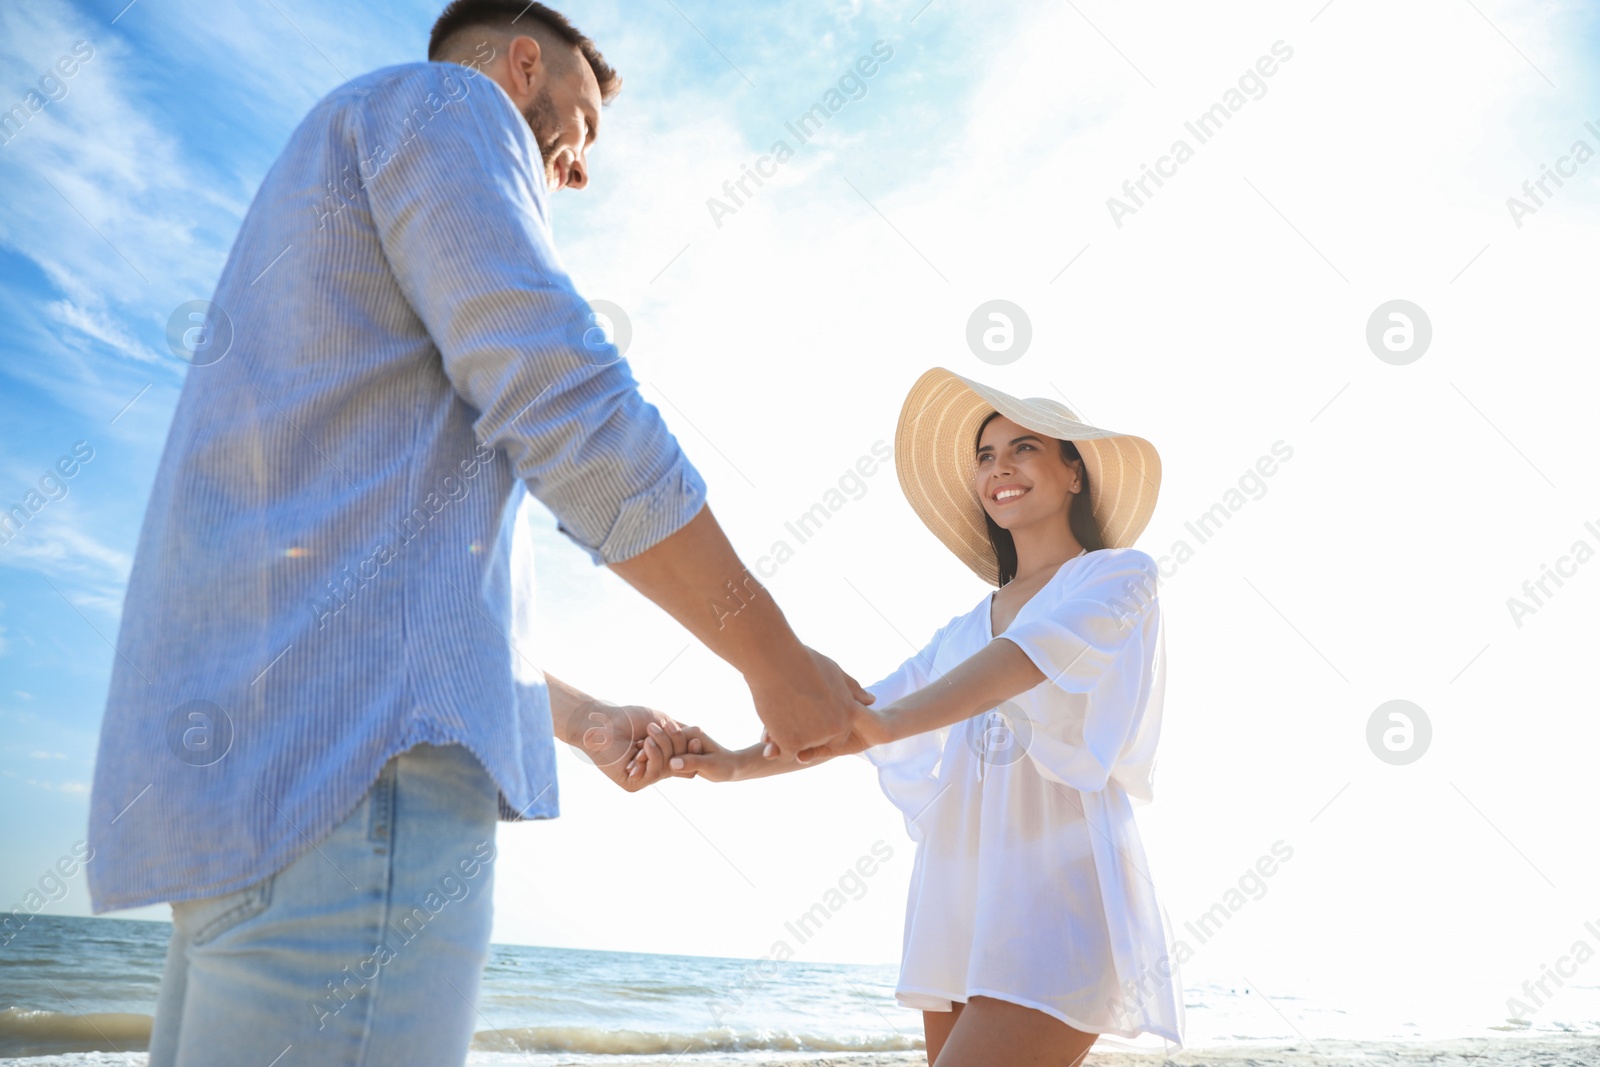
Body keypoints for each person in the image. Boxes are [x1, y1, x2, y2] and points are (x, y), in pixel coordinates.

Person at [85, 3, 869, 1064]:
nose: (580, 168)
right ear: (521, 63)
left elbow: (366, 589)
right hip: (358, 801)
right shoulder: (447, 103)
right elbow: (563, 397)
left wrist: (584, 717)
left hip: (248, 816)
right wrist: (774, 660)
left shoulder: (319, 180)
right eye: (583, 125)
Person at [651, 368, 1185, 1067]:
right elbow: (856, 716)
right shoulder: (962, 630)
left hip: (1060, 904)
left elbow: (1026, 658)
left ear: (1074, 473)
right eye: (986, 456)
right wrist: (728, 762)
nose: (1001, 469)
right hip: (960, 907)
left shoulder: (1119, 576)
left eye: (1024, 448)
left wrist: (885, 724)